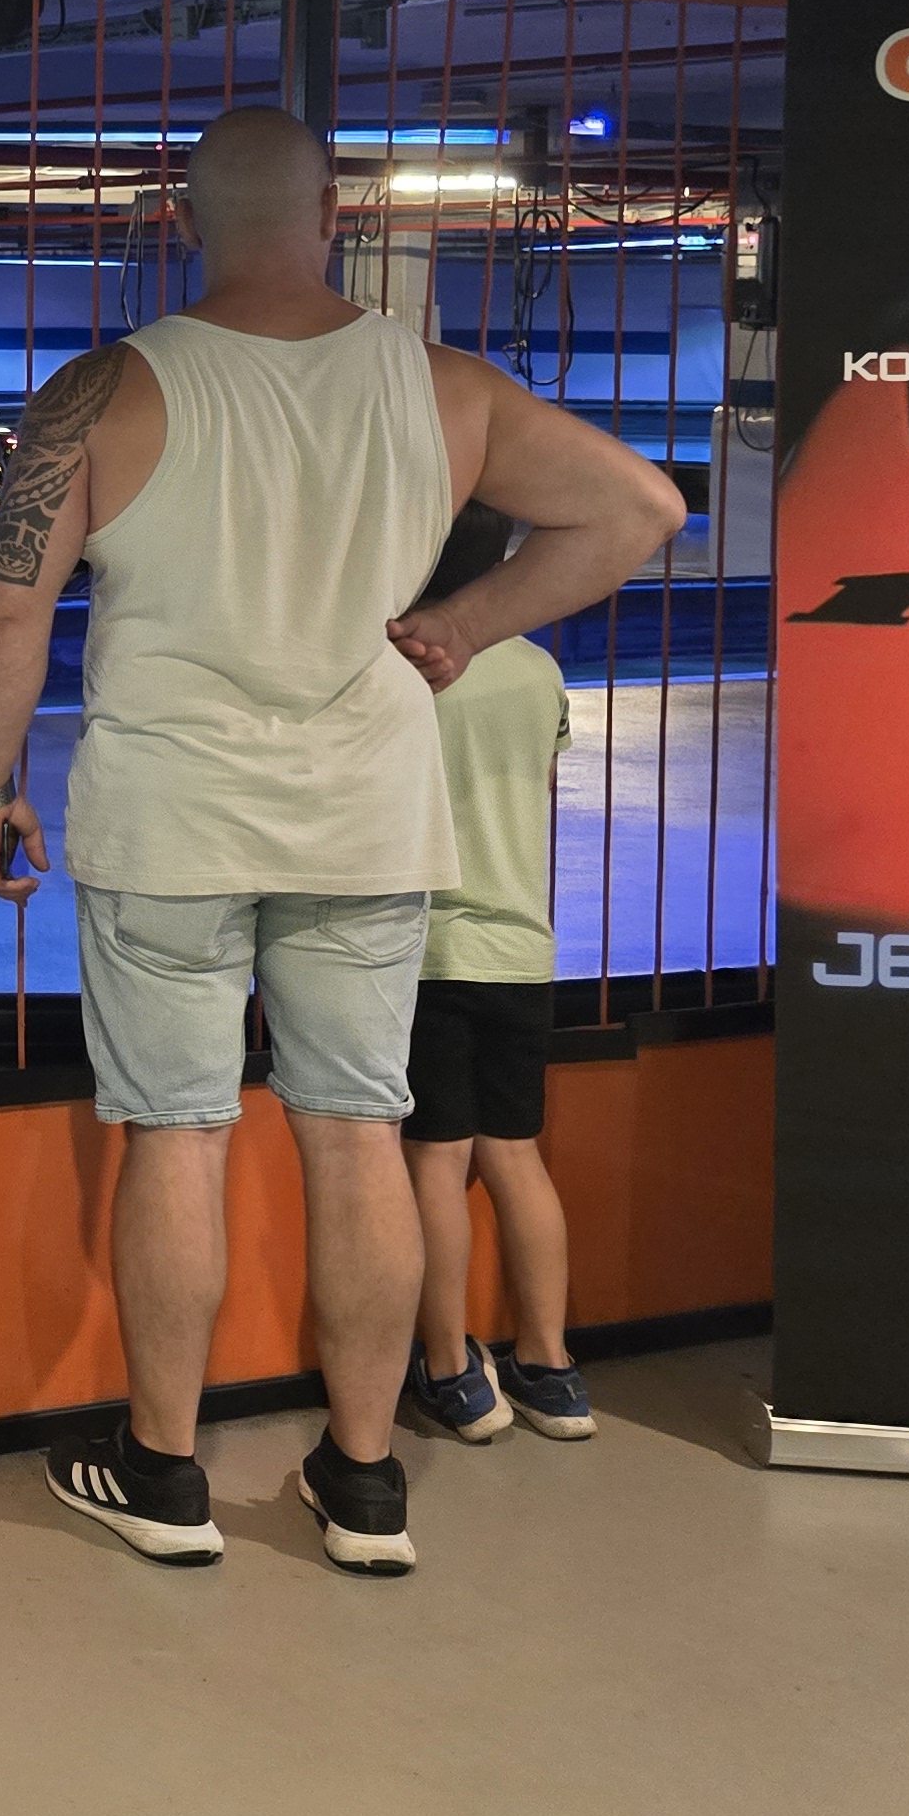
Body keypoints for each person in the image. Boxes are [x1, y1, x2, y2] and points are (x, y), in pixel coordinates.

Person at [0, 107, 679, 1575]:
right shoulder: (443, 387)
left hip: (170, 820)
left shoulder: (101, 391)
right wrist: (462, 624)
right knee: (357, 1137)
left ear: (181, 219)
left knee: (176, 1133)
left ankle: (164, 1474)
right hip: (363, 820)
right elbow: (639, 508)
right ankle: (362, 1485)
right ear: (336, 215)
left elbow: (10, 603)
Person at [392, 500, 595, 1447]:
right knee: (516, 1154)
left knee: (437, 1159)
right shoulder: (537, 669)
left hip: (430, 951)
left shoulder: (410, 667)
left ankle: (451, 1374)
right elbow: (540, 783)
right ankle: (551, 1370)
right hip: (523, 949)